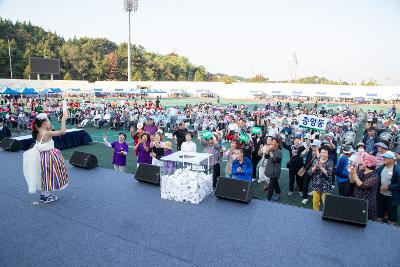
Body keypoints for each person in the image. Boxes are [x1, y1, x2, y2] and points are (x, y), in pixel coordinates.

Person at [23, 112, 69, 203]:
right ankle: (47, 196)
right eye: (48, 121)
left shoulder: (38, 132)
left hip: (40, 156)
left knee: (43, 176)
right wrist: (63, 119)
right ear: (44, 123)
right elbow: (63, 132)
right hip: (48, 157)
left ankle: (44, 195)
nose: (50, 122)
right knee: (49, 176)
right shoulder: (46, 133)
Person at [349, 153, 378, 220]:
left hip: (367, 203)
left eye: (364, 160)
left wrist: (355, 174)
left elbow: (362, 185)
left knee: (365, 221)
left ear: (368, 163)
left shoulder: (374, 176)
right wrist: (351, 173)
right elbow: (352, 181)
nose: (362, 161)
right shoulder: (361, 171)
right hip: (357, 199)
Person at [376, 151, 400, 225]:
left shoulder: (397, 170)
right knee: (379, 216)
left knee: (391, 218)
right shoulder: (381, 167)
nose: (383, 158)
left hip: (391, 197)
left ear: (392, 159)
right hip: (381, 195)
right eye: (383, 157)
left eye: (386, 157)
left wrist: (389, 187)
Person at [310, 146, 334, 211]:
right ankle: (315, 214)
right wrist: (315, 167)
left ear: (328, 154)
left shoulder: (330, 162)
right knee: (315, 202)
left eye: (325, 152)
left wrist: (321, 167)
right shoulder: (316, 160)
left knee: (326, 204)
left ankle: (326, 216)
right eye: (321, 152)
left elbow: (329, 174)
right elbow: (310, 172)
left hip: (326, 186)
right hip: (316, 185)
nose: (322, 154)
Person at [264, 137, 283, 201]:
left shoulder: (279, 152)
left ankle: (268, 198)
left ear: (277, 144)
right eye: (272, 141)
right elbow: (266, 157)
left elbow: (274, 160)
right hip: (270, 169)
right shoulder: (271, 149)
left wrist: (270, 152)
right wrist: (267, 151)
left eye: (274, 142)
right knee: (275, 183)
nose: (272, 143)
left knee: (271, 186)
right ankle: (279, 193)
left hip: (275, 171)